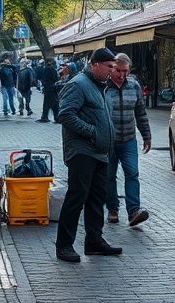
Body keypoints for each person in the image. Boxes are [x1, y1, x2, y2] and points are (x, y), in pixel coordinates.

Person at [54, 47, 120, 263]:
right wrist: (92, 133)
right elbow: (65, 114)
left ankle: (94, 241)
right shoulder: (79, 84)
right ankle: (64, 245)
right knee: (77, 196)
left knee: (96, 198)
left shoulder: (101, 87)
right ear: (95, 65)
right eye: (109, 67)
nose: (112, 71)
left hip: (100, 152)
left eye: (114, 67)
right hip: (82, 151)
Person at [105, 53, 152, 226]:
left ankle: (134, 210)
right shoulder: (104, 87)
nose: (122, 75)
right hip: (109, 141)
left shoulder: (134, 86)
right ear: (112, 68)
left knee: (132, 174)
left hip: (129, 140)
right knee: (109, 176)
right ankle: (112, 208)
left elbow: (140, 113)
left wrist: (146, 136)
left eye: (125, 71)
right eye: (118, 70)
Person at [36, 57, 61, 123]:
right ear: (50, 61)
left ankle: (45, 116)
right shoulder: (52, 69)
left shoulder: (44, 69)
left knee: (47, 103)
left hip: (47, 88)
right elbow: (55, 79)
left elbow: (41, 77)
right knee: (54, 103)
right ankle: (56, 117)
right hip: (52, 87)